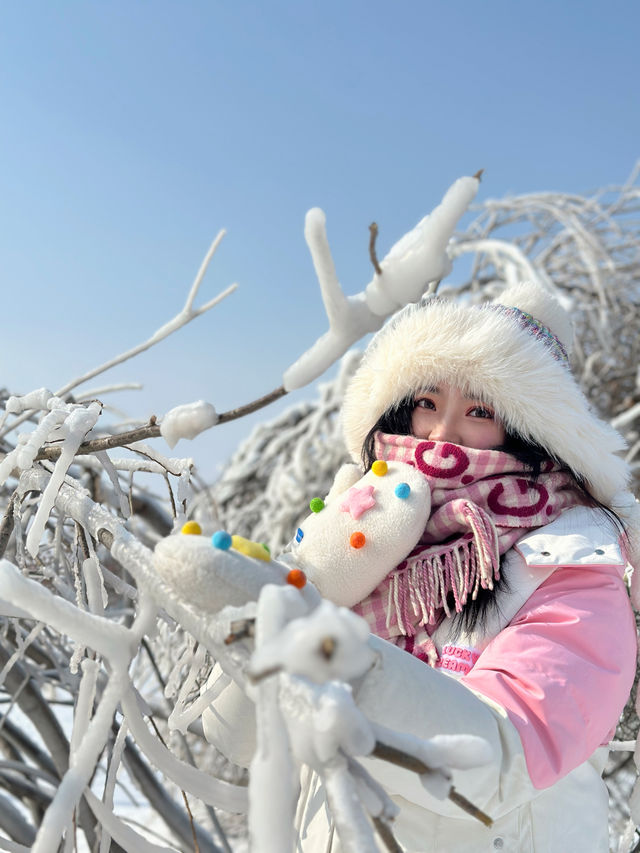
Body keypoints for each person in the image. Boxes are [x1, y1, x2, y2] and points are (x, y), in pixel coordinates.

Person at [201, 281, 639, 852]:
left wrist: (325, 649)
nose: (441, 435)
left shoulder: (570, 564)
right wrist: (314, 580)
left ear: (531, 433)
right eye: (427, 402)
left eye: (479, 410)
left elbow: (496, 762)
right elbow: (238, 735)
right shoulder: (360, 522)